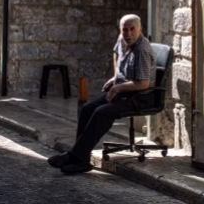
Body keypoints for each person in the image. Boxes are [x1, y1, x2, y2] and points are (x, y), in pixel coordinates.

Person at [48, 14, 155, 174]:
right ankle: (82, 159)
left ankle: (75, 156)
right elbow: (116, 53)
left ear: (140, 29)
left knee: (101, 113)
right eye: (125, 29)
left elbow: (143, 84)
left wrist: (118, 88)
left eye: (132, 29)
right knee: (87, 109)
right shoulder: (122, 39)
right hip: (123, 90)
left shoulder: (142, 50)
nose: (128, 33)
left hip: (140, 96)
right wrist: (116, 76)